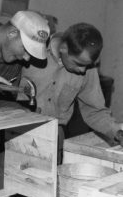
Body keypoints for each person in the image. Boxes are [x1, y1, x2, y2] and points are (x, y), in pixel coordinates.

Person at [21, 22, 123, 161]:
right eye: (79, 63)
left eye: (87, 66)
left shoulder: (87, 69)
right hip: (17, 133)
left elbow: (94, 111)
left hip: (54, 136)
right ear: (63, 48)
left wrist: (117, 132)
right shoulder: (30, 52)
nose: (82, 71)